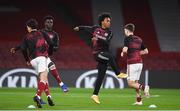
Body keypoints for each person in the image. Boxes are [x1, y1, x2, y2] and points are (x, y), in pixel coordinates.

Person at [74, 13, 127, 104]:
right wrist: (79, 28)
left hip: (104, 54)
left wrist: (97, 38)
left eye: (110, 21)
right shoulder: (95, 28)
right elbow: (87, 28)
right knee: (110, 56)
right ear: (102, 21)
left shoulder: (110, 33)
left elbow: (106, 42)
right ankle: (118, 73)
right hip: (98, 54)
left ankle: (95, 95)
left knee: (101, 76)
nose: (109, 22)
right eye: (108, 20)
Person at [11, 15, 68, 92]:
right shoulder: (40, 32)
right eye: (48, 22)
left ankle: (57, 87)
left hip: (45, 54)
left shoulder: (55, 35)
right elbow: (26, 43)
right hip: (38, 56)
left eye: (51, 22)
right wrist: (16, 48)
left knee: (47, 71)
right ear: (44, 23)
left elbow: (56, 47)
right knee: (45, 74)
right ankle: (53, 90)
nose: (50, 23)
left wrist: (48, 48)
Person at [20, 19, 55, 108]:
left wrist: (27, 60)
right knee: (43, 78)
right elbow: (51, 43)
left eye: (27, 27)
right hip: (42, 57)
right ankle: (37, 96)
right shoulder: (42, 33)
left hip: (32, 60)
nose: (27, 28)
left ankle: (49, 96)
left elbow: (23, 49)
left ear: (29, 27)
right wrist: (49, 53)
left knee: (43, 78)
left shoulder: (26, 36)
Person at [121, 23, 150, 105]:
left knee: (130, 83)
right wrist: (136, 53)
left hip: (132, 63)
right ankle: (139, 101)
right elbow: (146, 51)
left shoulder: (127, 39)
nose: (124, 32)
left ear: (127, 31)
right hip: (140, 63)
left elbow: (125, 50)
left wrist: (122, 52)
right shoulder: (139, 39)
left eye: (124, 31)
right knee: (136, 82)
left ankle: (144, 87)